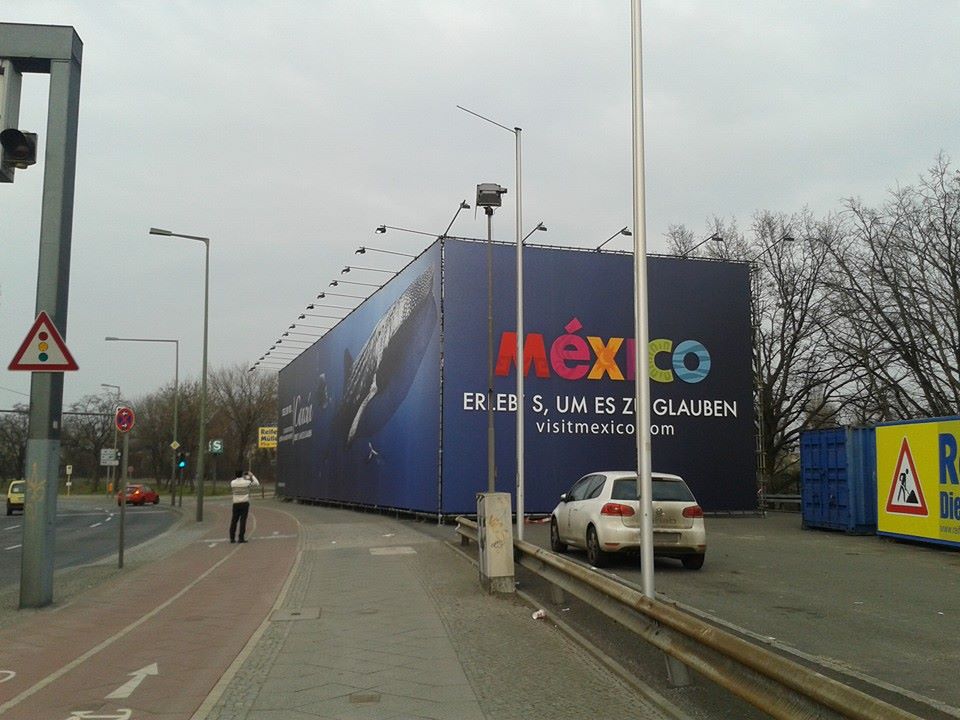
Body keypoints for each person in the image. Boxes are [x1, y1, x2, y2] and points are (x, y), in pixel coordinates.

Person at [229, 469, 260, 543]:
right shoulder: (246, 482)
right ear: (242, 474)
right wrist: (251, 476)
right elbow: (257, 483)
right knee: (243, 521)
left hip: (236, 503)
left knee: (234, 521)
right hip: (244, 503)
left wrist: (244, 477)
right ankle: (241, 538)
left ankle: (232, 538)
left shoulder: (232, 482)